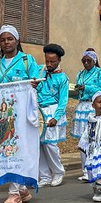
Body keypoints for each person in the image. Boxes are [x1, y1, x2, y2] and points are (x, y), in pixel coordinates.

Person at [0, 24, 40, 203]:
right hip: (4, 115)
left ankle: (14, 194)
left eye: (10, 39)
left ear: (17, 40)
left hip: (22, 115)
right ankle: (21, 189)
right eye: (3, 40)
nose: (6, 42)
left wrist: (32, 85)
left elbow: (37, 84)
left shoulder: (27, 60)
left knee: (15, 150)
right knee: (7, 149)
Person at [72, 48, 101, 179]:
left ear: (94, 61)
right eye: (84, 61)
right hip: (82, 106)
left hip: (94, 107)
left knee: (95, 138)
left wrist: (87, 88)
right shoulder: (80, 74)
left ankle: (96, 167)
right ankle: (85, 170)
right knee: (83, 140)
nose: (86, 63)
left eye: (89, 60)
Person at [36, 43, 68, 187]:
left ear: (59, 61)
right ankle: (44, 176)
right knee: (39, 145)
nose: (48, 64)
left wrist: (56, 117)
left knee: (50, 144)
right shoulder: (39, 71)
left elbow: (63, 101)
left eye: (52, 62)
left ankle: (58, 171)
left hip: (52, 111)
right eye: (47, 60)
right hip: (38, 110)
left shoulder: (63, 78)